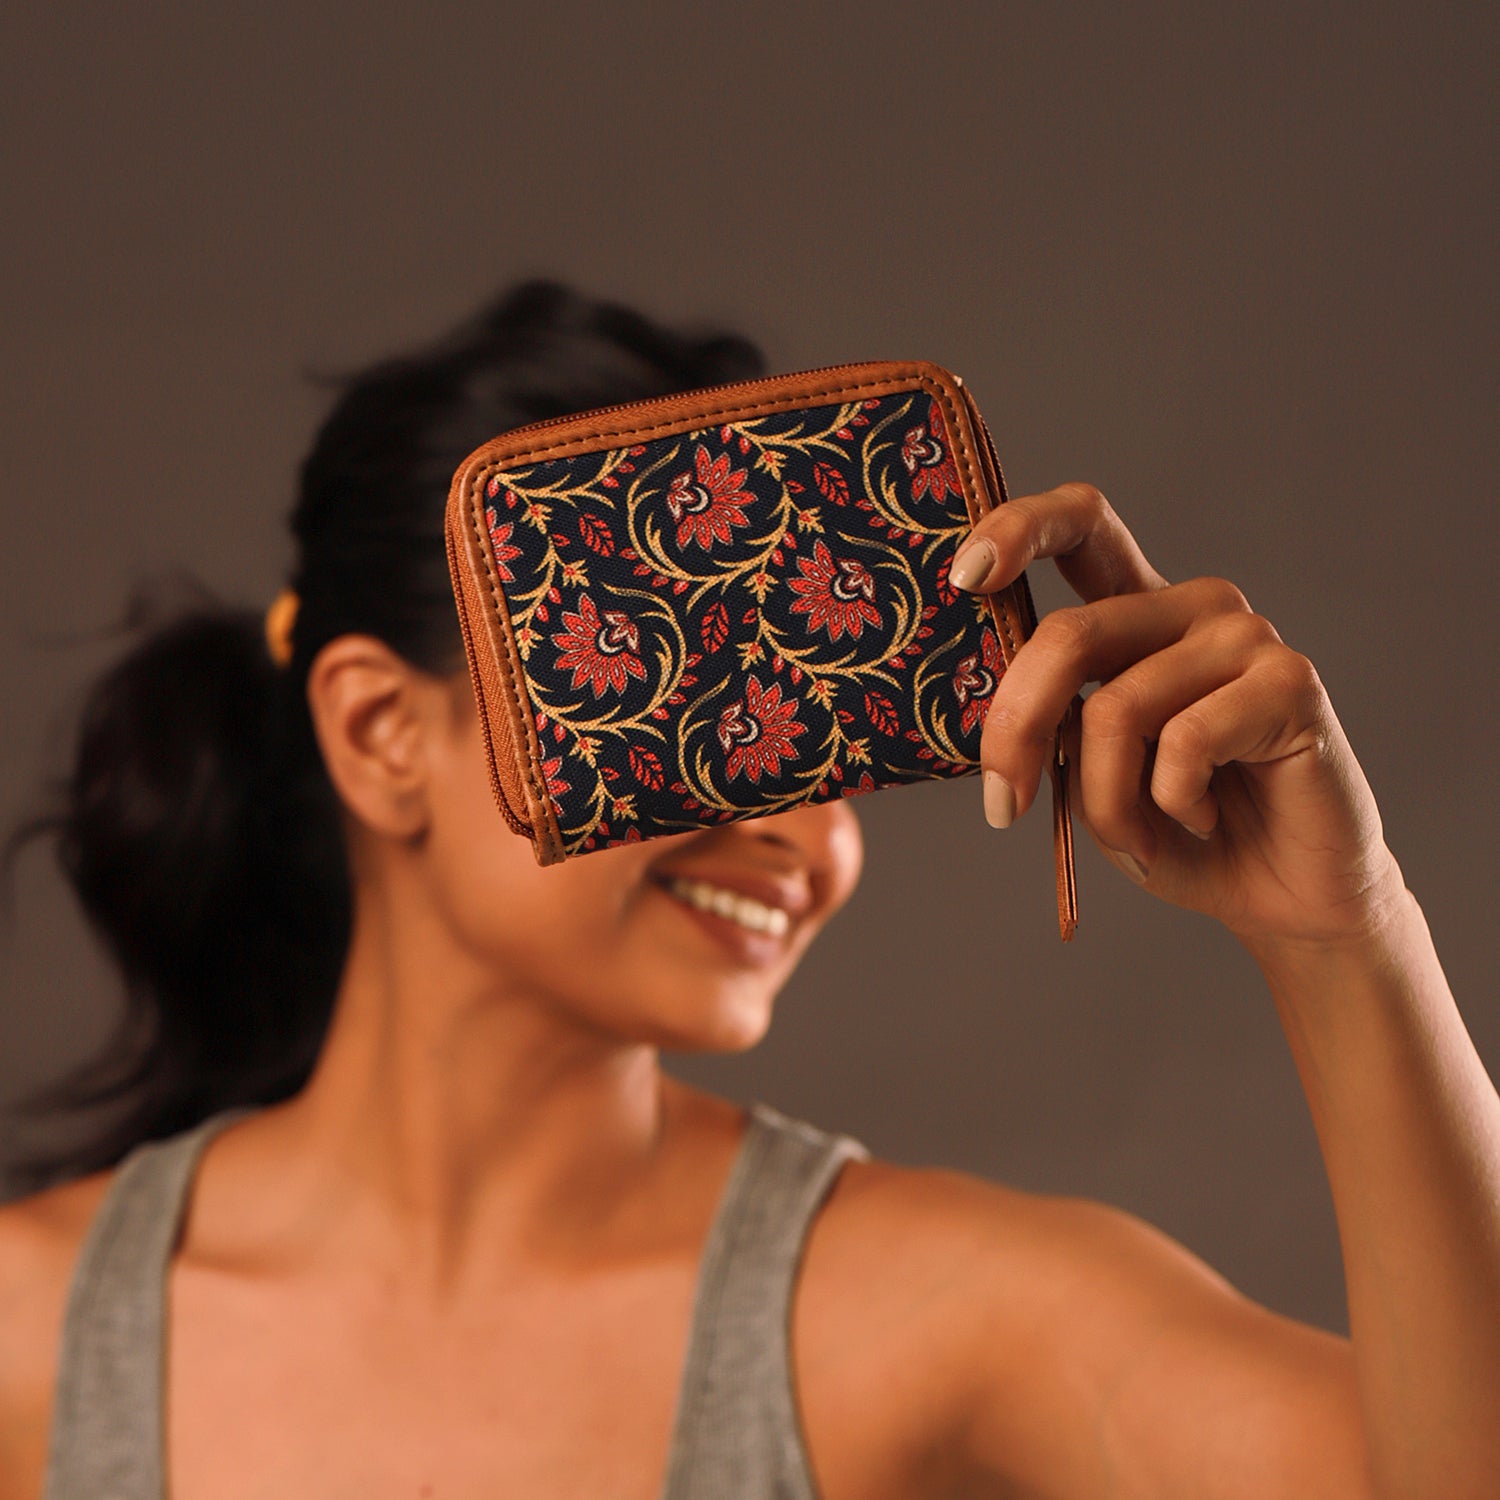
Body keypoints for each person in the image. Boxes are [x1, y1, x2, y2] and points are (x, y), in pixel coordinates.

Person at [0, 281, 1495, 1499]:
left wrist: (1346, 934)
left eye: (827, 746)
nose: (807, 841)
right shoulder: (33, 1331)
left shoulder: (931, 1317)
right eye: (684, 710)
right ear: (383, 734)